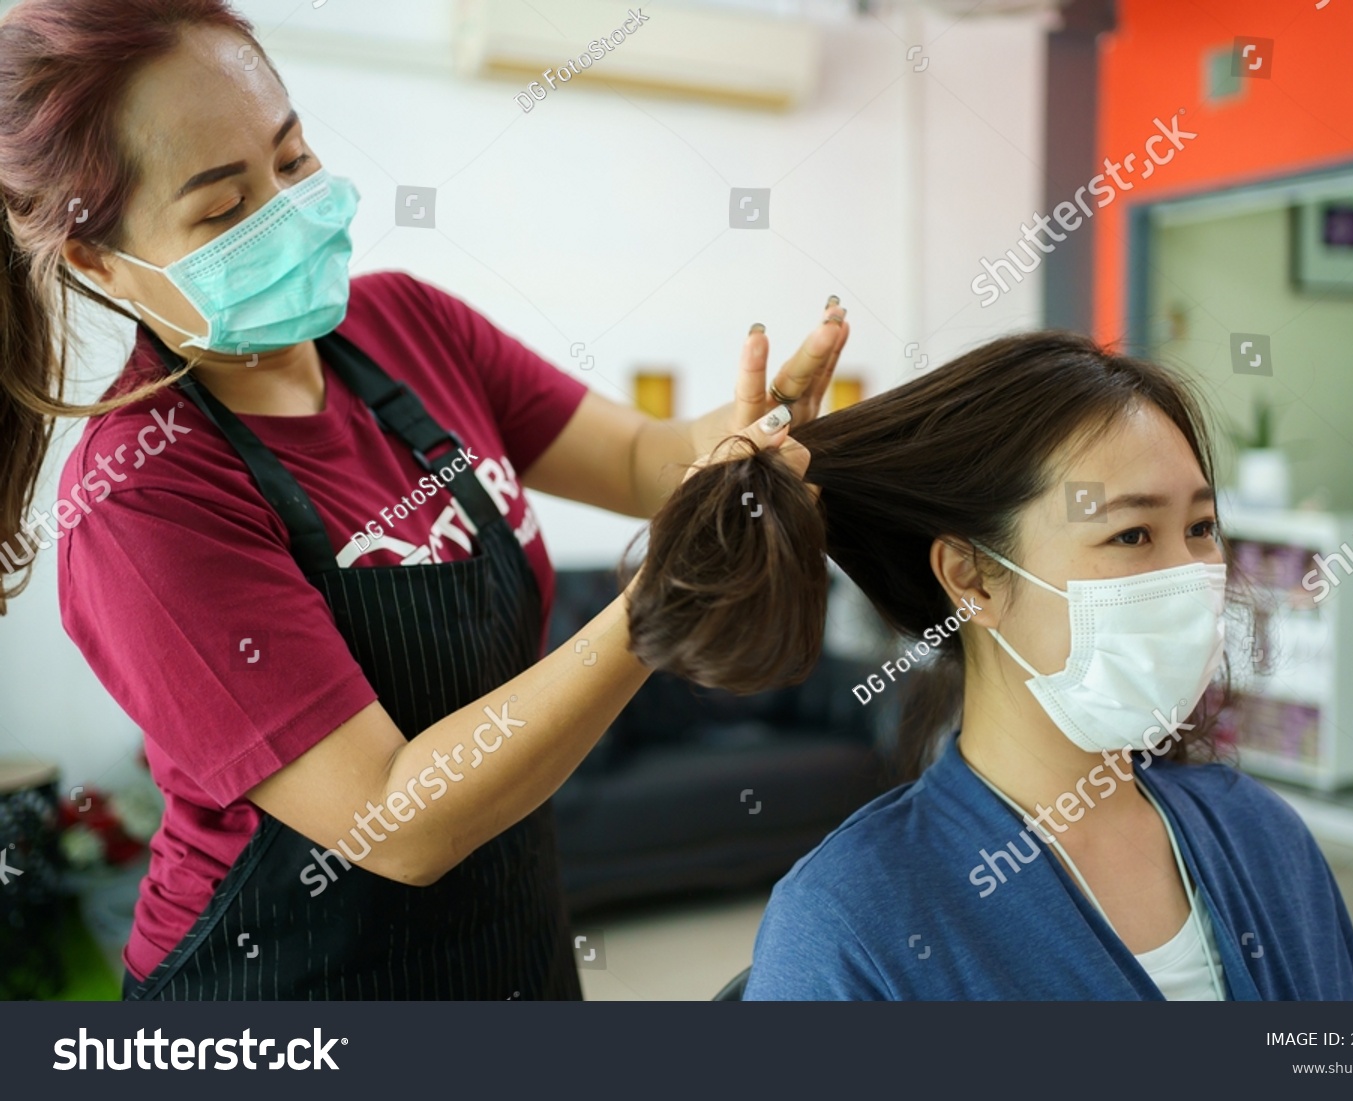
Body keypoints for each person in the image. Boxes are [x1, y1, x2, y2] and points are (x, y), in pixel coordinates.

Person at [0, 0, 850, 1000]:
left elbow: (644, 459)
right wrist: (654, 612)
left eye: (294, 159)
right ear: (98, 258)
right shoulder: (144, 494)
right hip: (286, 994)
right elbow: (392, 821)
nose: (284, 209)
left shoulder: (408, 325)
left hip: (511, 942)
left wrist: (754, 433)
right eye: (223, 209)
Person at [626, 331, 1353, 1001]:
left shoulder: (1262, 834)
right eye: (1132, 534)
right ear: (972, 579)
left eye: (1202, 526)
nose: (1188, 577)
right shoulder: (849, 920)